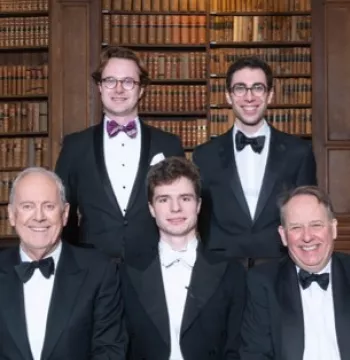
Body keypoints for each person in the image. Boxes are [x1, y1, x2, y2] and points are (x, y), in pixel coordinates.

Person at [55, 46, 184, 260]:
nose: (118, 89)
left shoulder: (169, 145)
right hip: (91, 268)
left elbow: (180, 210)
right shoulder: (75, 146)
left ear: (141, 89)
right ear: (99, 87)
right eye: (110, 81)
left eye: (127, 82)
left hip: (154, 266)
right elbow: (62, 213)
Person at [192, 55, 317, 267]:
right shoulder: (204, 155)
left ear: (270, 95)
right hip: (221, 269)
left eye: (258, 88)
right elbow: (201, 219)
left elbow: (307, 214)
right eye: (240, 88)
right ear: (229, 96)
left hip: (280, 267)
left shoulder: (299, 152)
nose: (249, 97)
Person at [120, 156, 246, 360]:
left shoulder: (231, 272)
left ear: (198, 205)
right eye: (164, 199)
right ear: (151, 208)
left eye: (185, 198)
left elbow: (237, 349)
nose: (175, 208)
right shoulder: (127, 273)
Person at [0, 167, 127, 360]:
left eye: (49, 206)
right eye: (27, 206)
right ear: (11, 214)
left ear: (65, 213)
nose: (39, 216)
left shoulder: (100, 271)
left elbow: (109, 351)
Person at [240, 185, 350, 360]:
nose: (307, 236)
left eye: (316, 225)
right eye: (296, 227)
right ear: (283, 235)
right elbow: (255, 354)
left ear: (333, 228)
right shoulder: (263, 282)